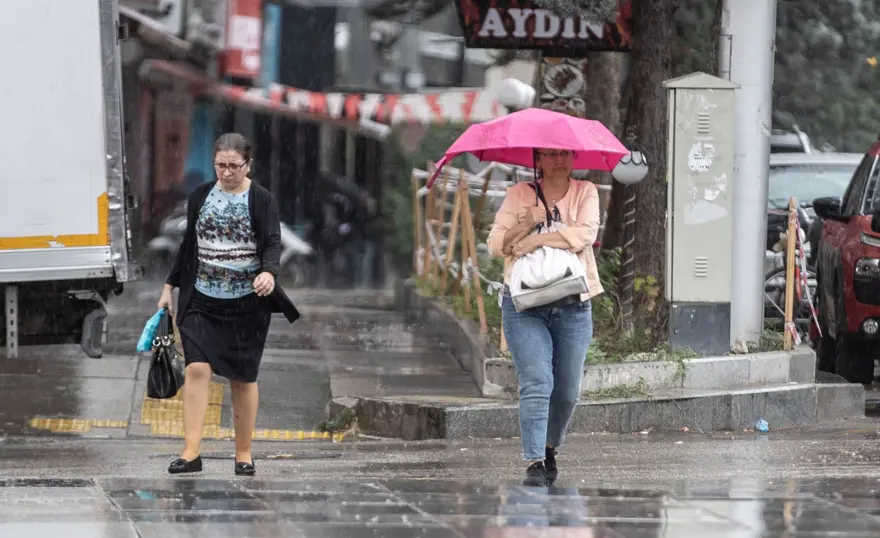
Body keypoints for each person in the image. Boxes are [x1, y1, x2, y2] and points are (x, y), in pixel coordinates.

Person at [157, 133, 300, 476]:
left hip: (247, 303)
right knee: (196, 369)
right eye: (220, 165)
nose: (226, 172)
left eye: (234, 166)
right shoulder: (201, 196)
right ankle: (191, 452)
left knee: (242, 378)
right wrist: (169, 286)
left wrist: (268, 272)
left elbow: (272, 243)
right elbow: (188, 246)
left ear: (248, 165)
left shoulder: (262, 199)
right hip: (202, 299)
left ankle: (244, 453)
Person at [486, 148, 602, 487]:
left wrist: (535, 240)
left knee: (567, 391)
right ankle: (535, 460)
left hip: (573, 303)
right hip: (524, 304)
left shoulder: (586, 192)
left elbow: (585, 235)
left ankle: (550, 446)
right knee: (537, 381)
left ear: (573, 157)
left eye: (564, 153)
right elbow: (496, 246)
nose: (558, 160)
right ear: (538, 160)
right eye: (550, 155)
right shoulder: (519, 194)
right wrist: (526, 221)